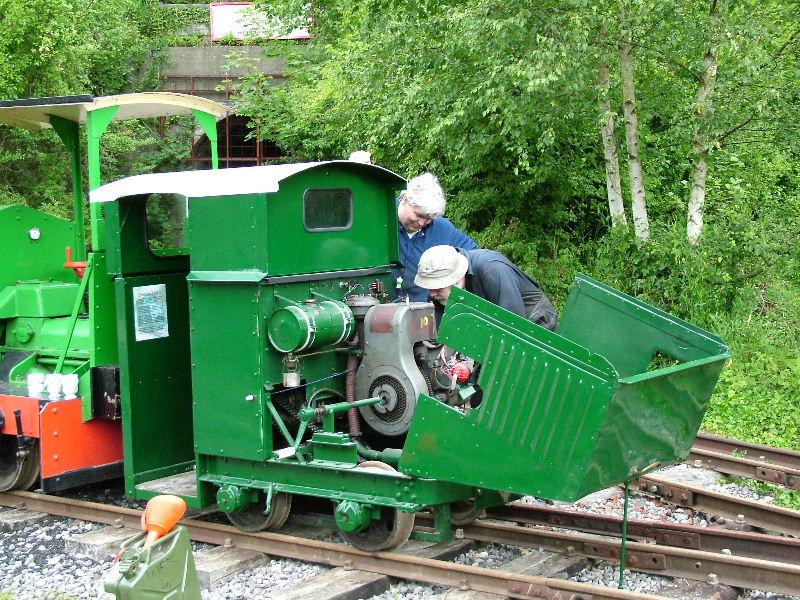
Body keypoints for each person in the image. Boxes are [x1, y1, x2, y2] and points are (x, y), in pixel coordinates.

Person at [414, 245, 558, 331]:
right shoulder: (440, 288)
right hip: (495, 322)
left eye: (438, 287)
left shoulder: (492, 269)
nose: (432, 293)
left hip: (534, 322)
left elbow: (513, 324)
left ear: (457, 279)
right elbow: (442, 327)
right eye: (429, 287)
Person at [395, 173, 477, 302]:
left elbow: (473, 256)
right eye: (419, 215)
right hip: (377, 308)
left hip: (425, 309)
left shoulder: (443, 229)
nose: (422, 223)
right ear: (405, 200)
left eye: (428, 218)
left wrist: (461, 275)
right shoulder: (379, 219)